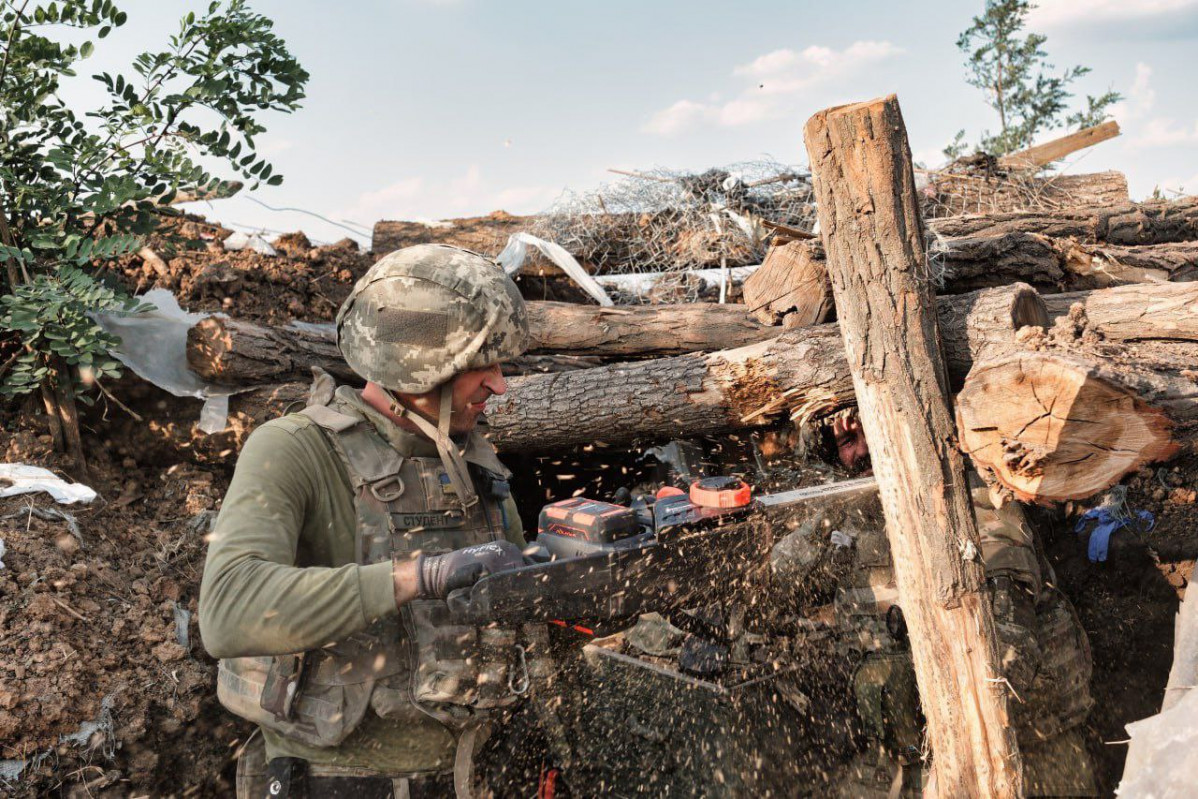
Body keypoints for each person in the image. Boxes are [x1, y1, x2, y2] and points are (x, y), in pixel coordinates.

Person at [199, 244, 533, 799]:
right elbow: (229, 608)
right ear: (419, 364)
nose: (499, 385)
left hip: (479, 773)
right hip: (338, 780)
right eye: (482, 365)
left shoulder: (472, 458)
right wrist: (420, 575)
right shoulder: (294, 449)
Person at [820, 408, 1098, 798]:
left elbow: (1009, 639)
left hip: (1029, 741)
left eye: (869, 433)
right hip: (925, 749)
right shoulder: (855, 507)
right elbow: (780, 572)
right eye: (848, 444)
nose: (863, 451)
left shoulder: (965, 493)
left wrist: (967, 742)